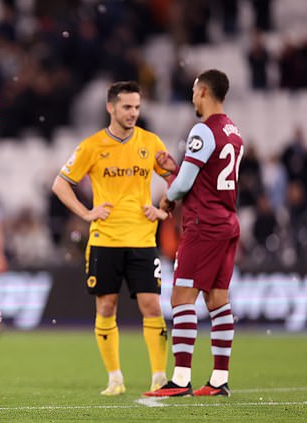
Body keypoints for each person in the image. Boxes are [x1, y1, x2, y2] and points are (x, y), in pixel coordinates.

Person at [51, 81, 171, 396]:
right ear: (111, 108)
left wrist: (163, 208)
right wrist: (87, 212)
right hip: (105, 239)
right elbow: (61, 185)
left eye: (136, 107)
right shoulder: (92, 146)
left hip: (143, 239)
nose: (133, 113)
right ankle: (115, 378)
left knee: (152, 306)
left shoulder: (151, 142)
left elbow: (177, 178)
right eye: (127, 107)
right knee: (106, 307)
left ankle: (159, 376)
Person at [145, 69, 244, 397]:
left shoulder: (203, 131)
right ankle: (218, 379)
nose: (191, 97)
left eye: (193, 91)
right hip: (227, 222)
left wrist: (169, 191)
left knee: (182, 298)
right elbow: (208, 176)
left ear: (203, 91)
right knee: (218, 300)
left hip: (204, 225)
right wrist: (177, 169)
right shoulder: (234, 132)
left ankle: (181, 378)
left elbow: (187, 184)